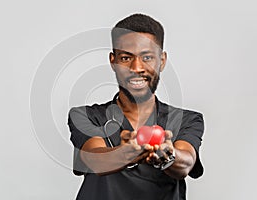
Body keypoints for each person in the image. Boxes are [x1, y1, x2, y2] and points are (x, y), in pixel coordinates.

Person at [68, 13, 204, 200]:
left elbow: (186, 163)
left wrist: (168, 155)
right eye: (125, 58)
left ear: (162, 61)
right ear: (113, 61)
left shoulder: (186, 120)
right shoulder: (86, 116)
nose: (136, 67)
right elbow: (95, 159)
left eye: (147, 57)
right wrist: (129, 152)